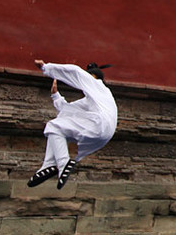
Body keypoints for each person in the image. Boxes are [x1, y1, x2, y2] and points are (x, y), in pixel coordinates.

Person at [27, 60, 117, 190]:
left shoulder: (95, 83)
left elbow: (75, 71)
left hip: (99, 124)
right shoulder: (98, 98)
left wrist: (46, 68)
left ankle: (62, 163)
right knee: (57, 128)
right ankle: (49, 164)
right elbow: (67, 111)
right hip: (104, 132)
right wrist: (55, 96)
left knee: (54, 126)